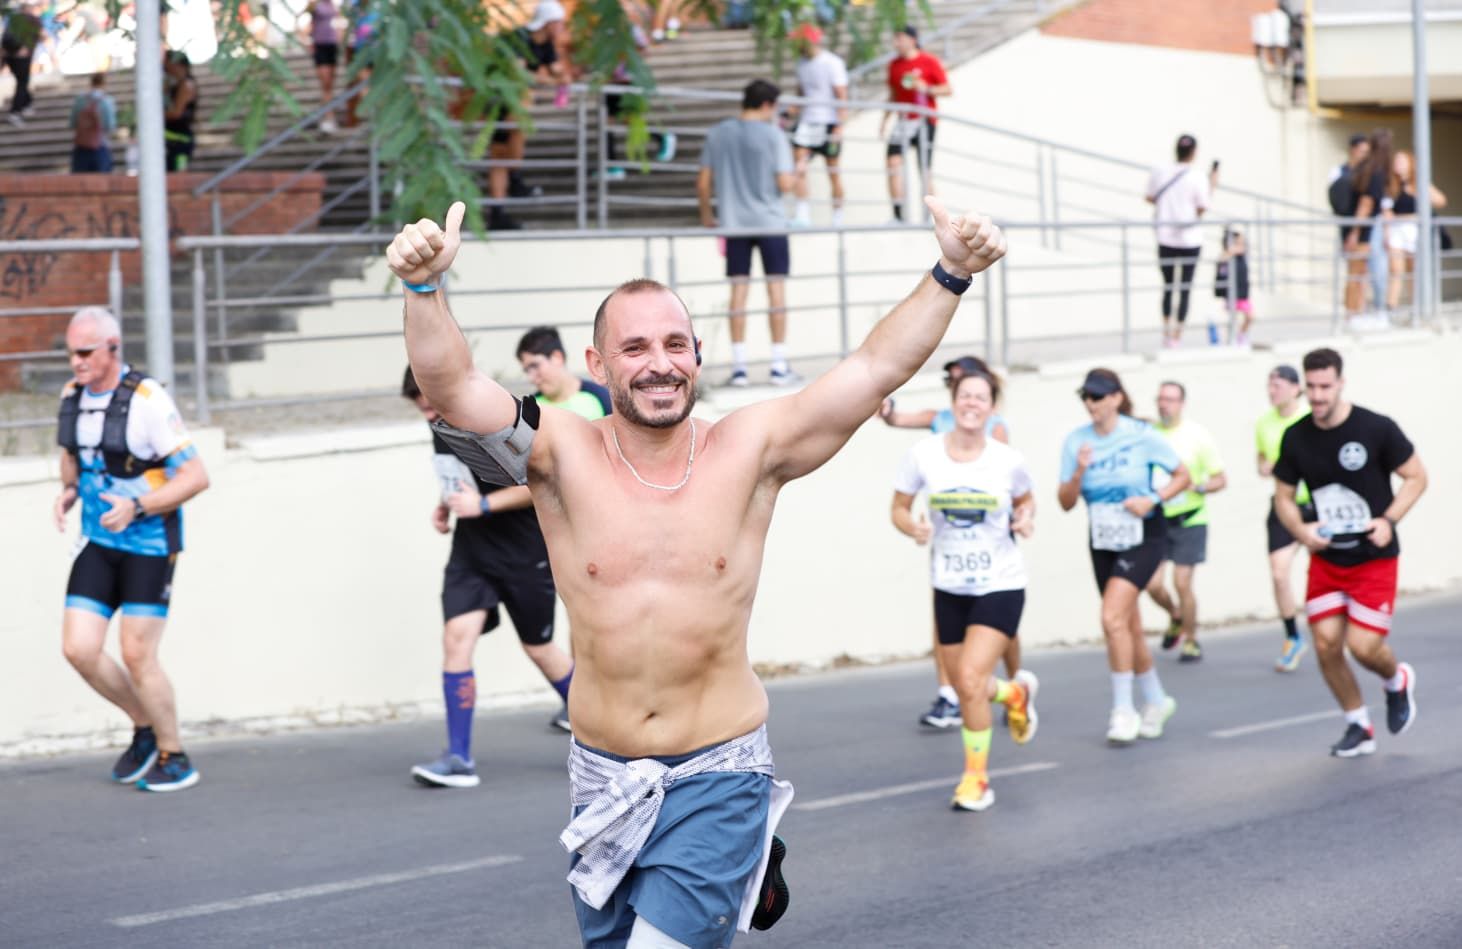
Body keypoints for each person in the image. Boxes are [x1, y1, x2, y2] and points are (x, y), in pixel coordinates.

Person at [390, 194, 1005, 946]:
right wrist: (424, 289)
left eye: (676, 344)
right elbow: (452, 387)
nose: (660, 364)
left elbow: (874, 369)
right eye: (637, 347)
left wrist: (952, 271)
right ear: (598, 364)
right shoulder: (559, 452)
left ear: (698, 355)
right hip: (601, 779)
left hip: (720, 774)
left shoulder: (751, 449)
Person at [53, 307, 211, 792]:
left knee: (138, 654)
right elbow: (72, 454)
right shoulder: (73, 396)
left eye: (85, 352)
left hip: (147, 543)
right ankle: (144, 725)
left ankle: (175, 753)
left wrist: (138, 505)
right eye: (70, 353)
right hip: (100, 541)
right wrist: (68, 490)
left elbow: (196, 476)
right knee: (78, 648)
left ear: (112, 348)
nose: (76, 363)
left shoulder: (146, 400)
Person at [402, 366, 583, 788]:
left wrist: (482, 508)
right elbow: (459, 477)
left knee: (539, 649)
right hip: (472, 553)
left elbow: (537, 484)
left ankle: (607, 732)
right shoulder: (439, 426)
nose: (428, 415)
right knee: (456, 640)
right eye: (420, 408)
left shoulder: (500, 419)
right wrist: (446, 505)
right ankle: (459, 758)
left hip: (523, 553)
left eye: (431, 405)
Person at [891, 368, 1038, 811]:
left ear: (992, 407)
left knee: (971, 679)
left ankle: (977, 780)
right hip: (949, 583)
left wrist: (1026, 517)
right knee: (963, 683)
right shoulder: (924, 454)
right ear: (953, 401)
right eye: (965, 395)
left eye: (981, 397)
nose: (972, 403)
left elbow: (1026, 500)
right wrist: (911, 527)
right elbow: (898, 507)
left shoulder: (1007, 460)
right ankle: (1014, 693)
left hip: (1001, 582)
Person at [1273, 347, 1427, 757]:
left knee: (1363, 646)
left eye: (1326, 387)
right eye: (1312, 388)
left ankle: (1396, 681)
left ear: (1341, 383)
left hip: (1373, 559)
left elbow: (1416, 477)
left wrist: (1388, 520)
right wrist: (1301, 530)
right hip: (1327, 559)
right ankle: (1357, 724)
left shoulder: (1375, 428)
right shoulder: (1296, 437)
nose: (1318, 396)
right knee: (1325, 644)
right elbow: (1283, 498)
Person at [878, 354, 1017, 728]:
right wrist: (886, 407)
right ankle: (953, 693)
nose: (967, 399)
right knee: (954, 648)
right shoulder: (938, 421)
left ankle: (1012, 682)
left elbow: (1011, 481)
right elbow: (899, 419)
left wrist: (1023, 516)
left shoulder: (996, 430)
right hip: (950, 553)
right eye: (956, 385)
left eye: (974, 389)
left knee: (1000, 634)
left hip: (992, 554)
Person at [1057, 369, 1189, 745]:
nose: (1091, 404)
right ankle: (1157, 700)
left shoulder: (1142, 436)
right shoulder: (1076, 441)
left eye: (1098, 396)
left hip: (1143, 533)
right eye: (1086, 397)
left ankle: (1123, 709)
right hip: (1102, 537)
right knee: (1127, 626)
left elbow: (1183, 476)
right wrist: (1080, 470)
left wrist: (1152, 498)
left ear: (1116, 398)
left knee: (1111, 617)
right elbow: (1065, 502)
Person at [697, 78, 798, 388]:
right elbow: (785, 184)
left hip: (734, 223)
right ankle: (778, 365)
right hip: (770, 222)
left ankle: (739, 367)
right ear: (767, 104)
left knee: (738, 293)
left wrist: (708, 217)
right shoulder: (774, 136)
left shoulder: (718, 133)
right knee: (775, 291)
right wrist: (799, 173)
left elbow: (703, 183)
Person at [1145, 381, 1225, 662]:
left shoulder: (1197, 436)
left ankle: (1191, 640)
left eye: (1171, 399)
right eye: (1161, 399)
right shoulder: (1150, 434)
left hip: (1190, 518)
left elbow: (1219, 479)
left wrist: (1198, 486)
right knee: (1152, 583)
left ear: (1182, 403)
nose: (1164, 404)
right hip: (1158, 520)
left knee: (1182, 582)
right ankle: (1176, 615)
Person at [1255, 364, 1314, 673]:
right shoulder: (1263, 423)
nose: (1271, 391)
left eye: (1276, 385)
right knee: (1279, 573)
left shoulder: (1309, 418)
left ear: (1295, 388)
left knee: (1328, 569)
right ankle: (1293, 637)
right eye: (1269, 385)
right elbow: (1262, 460)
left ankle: (1340, 630)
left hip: (1316, 505)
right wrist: (1266, 466)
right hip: (1283, 504)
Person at [1145, 134, 1216, 348]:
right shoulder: (1198, 176)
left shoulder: (1160, 171)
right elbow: (1202, 206)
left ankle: (1167, 333)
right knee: (1184, 288)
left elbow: (1149, 197)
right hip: (1189, 239)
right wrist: (1213, 185)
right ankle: (1177, 337)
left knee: (1168, 286)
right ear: (1194, 153)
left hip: (1165, 236)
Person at [881, 26, 949, 222]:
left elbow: (947, 89)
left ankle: (933, 217)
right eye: (895, 39)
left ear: (912, 40)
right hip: (903, 121)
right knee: (892, 162)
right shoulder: (894, 65)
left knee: (924, 168)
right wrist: (884, 120)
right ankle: (898, 215)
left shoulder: (928, 61)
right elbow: (892, 95)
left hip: (924, 120)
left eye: (900, 39)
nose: (896, 43)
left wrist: (926, 88)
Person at [787, 23, 848, 227]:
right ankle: (803, 215)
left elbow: (841, 96)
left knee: (833, 172)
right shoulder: (801, 64)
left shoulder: (832, 62)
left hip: (829, 122)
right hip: (807, 122)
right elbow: (801, 94)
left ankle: (838, 217)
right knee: (800, 166)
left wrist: (840, 125)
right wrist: (789, 112)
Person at [1342, 129, 1397, 329]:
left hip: (1366, 229)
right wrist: (1355, 232)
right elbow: (1366, 203)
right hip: (1366, 231)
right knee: (1365, 272)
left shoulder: (1365, 168)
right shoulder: (1375, 172)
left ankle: (1355, 313)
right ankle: (1358, 314)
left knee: (1359, 273)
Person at [1386, 149, 1448, 314]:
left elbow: (1441, 201)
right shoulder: (1391, 185)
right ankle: (1390, 307)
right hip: (1396, 233)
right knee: (1396, 270)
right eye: (1396, 161)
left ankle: (1417, 308)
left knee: (1414, 271)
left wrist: (1423, 191)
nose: (1398, 164)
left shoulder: (1419, 183)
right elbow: (1387, 212)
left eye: (1402, 161)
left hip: (1415, 233)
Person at [516, 326, 612, 419]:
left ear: (557, 357)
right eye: (527, 370)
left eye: (535, 366)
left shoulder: (601, 397)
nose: (531, 378)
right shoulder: (530, 409)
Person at [1328, 133, 1370, 318]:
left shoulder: (1368, 173)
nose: (1364, 155)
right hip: (1350, 228)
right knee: (1353, 271)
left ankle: (1359, 309)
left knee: (1363, 272)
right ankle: (1350, 312)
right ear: (1353, 150)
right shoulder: (1339, 172)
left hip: (1364, 229)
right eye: (1362, 151)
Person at [304, 0, 341, 133]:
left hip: (332, 45)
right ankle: (328, 116)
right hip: (320, 45)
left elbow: (338, 22)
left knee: (330, 84)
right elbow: (306, 20)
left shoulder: (332, 4)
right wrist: (307, 39)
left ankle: (326, 114)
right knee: (325, 83)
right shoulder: (315, 4)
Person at [2, 1, 41, 126]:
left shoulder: (13, 19)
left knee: (22, 81)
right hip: (20, 57)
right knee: (22, 83)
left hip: (11, 56)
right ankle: (15, 111)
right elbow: (35, 37)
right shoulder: (31, 20)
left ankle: (27, 104)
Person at [69, 72, 117, 174]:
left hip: (81, 148)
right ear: (104, 84)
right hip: (100, 147)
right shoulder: (107, 101)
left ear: (91, 83)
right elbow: (110, 126)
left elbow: (72, 123)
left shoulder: (80, 100)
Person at [1214, 224, 1252, 345]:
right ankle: (1231, 339)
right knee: (1232, 318)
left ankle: (1240, 336)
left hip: (1242, 294)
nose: (1242, 246)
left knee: (1250, 316)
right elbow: (1222, 260)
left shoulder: (1242, 257)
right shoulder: (1227, 257)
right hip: (1231, 295)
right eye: (1238, 243)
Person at [163, 51, 198, 172]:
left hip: (180, 140)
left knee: (178, 175)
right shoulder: (173, 83)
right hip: (170, 139)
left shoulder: (186, 84)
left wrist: (153, 116)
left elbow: (176, 113)